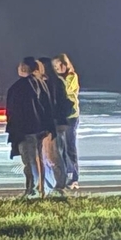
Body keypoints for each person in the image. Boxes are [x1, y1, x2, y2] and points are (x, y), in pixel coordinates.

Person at [6, 57, 59, 198]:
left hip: (24, 129)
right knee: (38, 158)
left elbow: (13, 111)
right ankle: (41, 189)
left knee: (29, 160)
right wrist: (49, 128)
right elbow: (48, 106)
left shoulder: (18, 87)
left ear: (23, 68)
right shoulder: (41, 84)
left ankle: (32, 190)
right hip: (40, 128)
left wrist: (13, 129)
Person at [37, 57, 70, 193]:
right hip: (58, 122)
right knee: (53, 154)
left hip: (52, 123)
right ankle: (56, 183)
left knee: (52, 155)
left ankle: (59, 184)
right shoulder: (57, 82)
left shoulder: (48, 83)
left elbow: (49, 104)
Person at [52, 54, 80, 189]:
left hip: (71, 115)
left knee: (70, 146)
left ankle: (74, 177)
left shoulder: (71, 77)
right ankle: (64, 175)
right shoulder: (57, 80)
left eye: (60, 65)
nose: (58, 68)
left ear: (66, 64)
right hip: (61, 116)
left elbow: (67, 90)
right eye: (55, 67)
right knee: (61, 148)